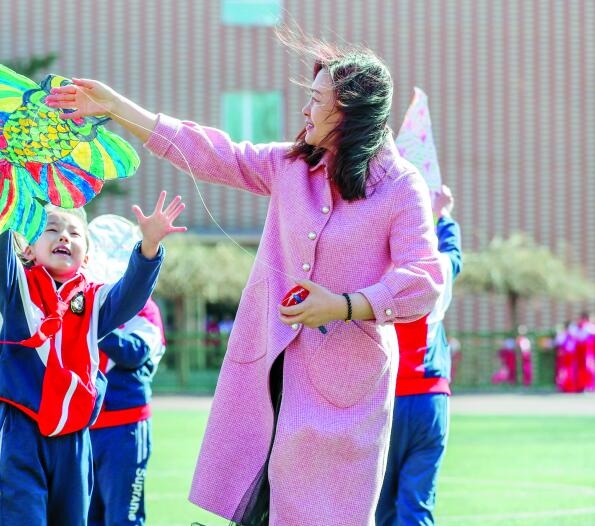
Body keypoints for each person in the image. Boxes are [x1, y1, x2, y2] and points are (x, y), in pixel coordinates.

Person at [46, 34, 443, 525]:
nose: (305, 110)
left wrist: (343, 305)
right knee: (257, 509)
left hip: (346, 390)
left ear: (350, 112)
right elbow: (213, 151)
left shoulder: (402, 188)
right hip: (267, 374)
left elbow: (424, 279)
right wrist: (116, 107)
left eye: (317, 100)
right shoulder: (291, 166)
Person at [0, 193, 185, 526]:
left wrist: (149, 247)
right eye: (51, 229)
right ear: (29, 249)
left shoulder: (94, 300)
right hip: (21, 430)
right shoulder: (14, 287)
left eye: (75, 233)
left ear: (87, 258)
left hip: (75, 439)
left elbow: (130, 294)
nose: (64, 236)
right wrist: (9, 192)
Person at [376, 185, 462, 526]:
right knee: (417, 506)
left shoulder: (378, 274)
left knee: (379, 507)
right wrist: (443, 214)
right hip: (429, 398)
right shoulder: (435, 271)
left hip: (384, 399)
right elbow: (453, 255)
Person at [88, 297, 166, 526]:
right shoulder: (93, 300)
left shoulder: (144, 307)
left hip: (125, 428)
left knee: (124, 518)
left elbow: (134, 352)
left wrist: (93, 323)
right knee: (85, 518)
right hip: (83, 428)